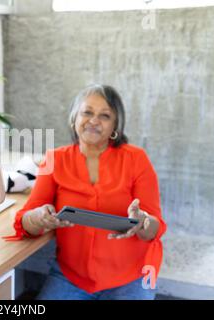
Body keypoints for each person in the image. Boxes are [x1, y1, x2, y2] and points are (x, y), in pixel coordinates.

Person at [10, 84, 167, 300]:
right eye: (87, 112)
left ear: (115, 126)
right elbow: (24, 221)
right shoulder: (53, 159)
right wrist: (38, 218)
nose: (94, 120)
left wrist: (142, 221)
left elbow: (155, 228)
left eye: (104, 116)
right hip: (71, 276)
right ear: (75, 118)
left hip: (131, 276)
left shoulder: (136, 159)